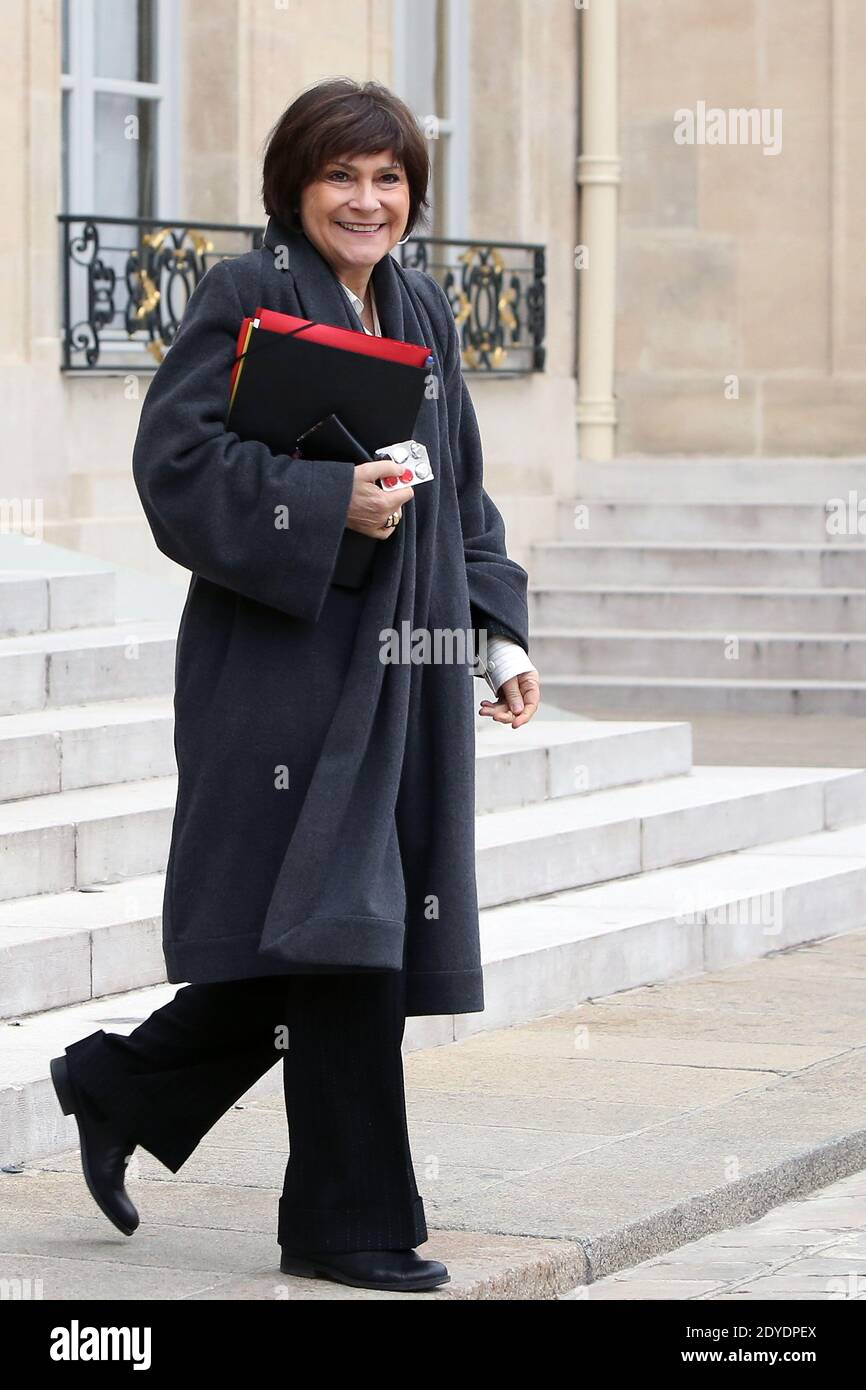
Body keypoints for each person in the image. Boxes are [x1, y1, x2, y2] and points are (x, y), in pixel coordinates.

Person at [50, 76, 541, 1295]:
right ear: (294, 187)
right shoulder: (245, 293)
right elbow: (175, 467)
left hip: (405, 675)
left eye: (387, 178)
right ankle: (347, 1222)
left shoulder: (422, 305)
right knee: (345, 938)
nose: (365, 200)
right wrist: (329, 502)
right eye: (340, 177)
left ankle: (121, 1086)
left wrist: (497, 634)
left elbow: (464, 491)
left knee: (330, 928)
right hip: (283, 677)